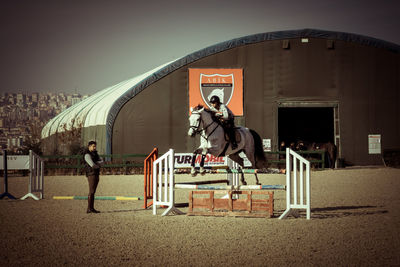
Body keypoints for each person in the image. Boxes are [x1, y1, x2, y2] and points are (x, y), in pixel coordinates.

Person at [83, 141, 103, 213]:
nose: (95, 147)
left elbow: (102, 161)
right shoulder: (87, 155)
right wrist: (98, 164)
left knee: (93, 191)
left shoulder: (95, 154)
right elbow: (93, 165)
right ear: (89, 146)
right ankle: (89, 208)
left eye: (95, 146)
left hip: (96, 173)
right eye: (93, 146)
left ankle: (92, 208)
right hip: (91, 174)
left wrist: (98, 163)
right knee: (91, 191)